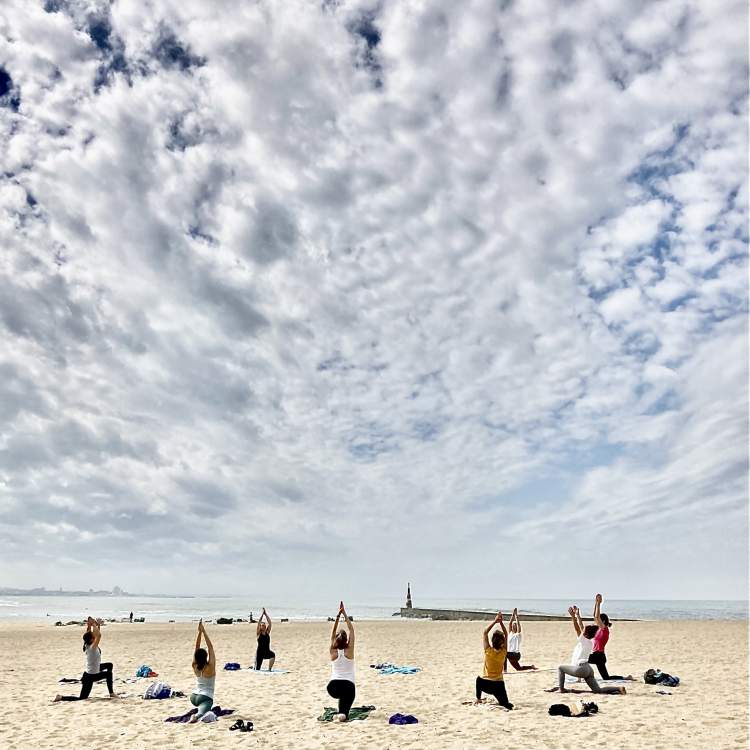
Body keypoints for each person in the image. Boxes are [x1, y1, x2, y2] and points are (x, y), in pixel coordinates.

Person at [557, 606, 626, 695]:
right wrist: (578, 615)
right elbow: (581, 628)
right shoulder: (590, 642)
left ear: (585, 633)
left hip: (581, 669)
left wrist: (573, 617)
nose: (583, 630)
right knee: (598, 690)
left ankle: (561, 689)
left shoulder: (583, 640)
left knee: (560, 668)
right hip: (589, 670)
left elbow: (577, 628)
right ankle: (619, 688)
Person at [54, 617, 118, 701]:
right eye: (92, 636)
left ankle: (110, 689)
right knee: (82, 698)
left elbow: (93, 634)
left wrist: (91, 625)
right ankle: (61, 697)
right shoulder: (92, 647)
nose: (94, 635)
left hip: (90, 673)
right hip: (91, 676)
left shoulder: (88, 644)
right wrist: (94, 624)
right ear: (92, 639)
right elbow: (98, 635)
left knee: (109, 665)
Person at [588, 593, 633, 681]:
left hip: (599, 656)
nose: (596, 621)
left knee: (581, 659)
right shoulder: (599, 629)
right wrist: (595, 602)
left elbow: (597, 617)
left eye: (599, 620)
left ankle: (582, 677)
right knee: (606, 678)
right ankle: (626, 678)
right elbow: (595, 617)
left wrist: (598, 604)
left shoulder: (604, 630)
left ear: (603, 621)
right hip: (598, 656)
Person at [475, 612, 513, 709]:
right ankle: (503, 703)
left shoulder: (488, 650)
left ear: (492, 641)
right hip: (498, 685)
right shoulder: (504, 651)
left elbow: (485, 633)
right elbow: (506, 634)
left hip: (485, 684)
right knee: (506, 704)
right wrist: (501, 623)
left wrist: (495, 621)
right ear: (502, 643)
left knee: (478, 679)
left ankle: (478, 698)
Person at [327, 601, 355, 721]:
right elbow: (351, 630)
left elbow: (333, 633)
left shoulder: (332, 650)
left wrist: (338, 616)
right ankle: (341, 715)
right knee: (344, 713)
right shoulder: (350, 650)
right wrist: (344, 613)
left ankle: (338, 714)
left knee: (342, 698)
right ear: (346, 640)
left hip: (332, 687)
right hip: (348, 685)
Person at [190, 619, 216, 722]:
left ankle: (198, 712)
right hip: (205, 697)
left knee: (201, 706)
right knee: (202, 712)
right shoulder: (210, 668)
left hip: (194, 696)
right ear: (206, 657)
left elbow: (197, 648)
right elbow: (210, 648)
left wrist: (199, 633)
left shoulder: (194, 665)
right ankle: (195, 717)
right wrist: (204, 631)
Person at [505, 607, 536, 671]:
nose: (513, 627)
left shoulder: (518, 635)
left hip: (515, 655)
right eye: (513, 626)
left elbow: (519, 626)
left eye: (515, 626)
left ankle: (504, 670)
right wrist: (513, 614)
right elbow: (510, 623)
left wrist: (516, 617)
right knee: (518, 669)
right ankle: (531, 667)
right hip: (511, 655)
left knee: (503, 654)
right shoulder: (510, 633)